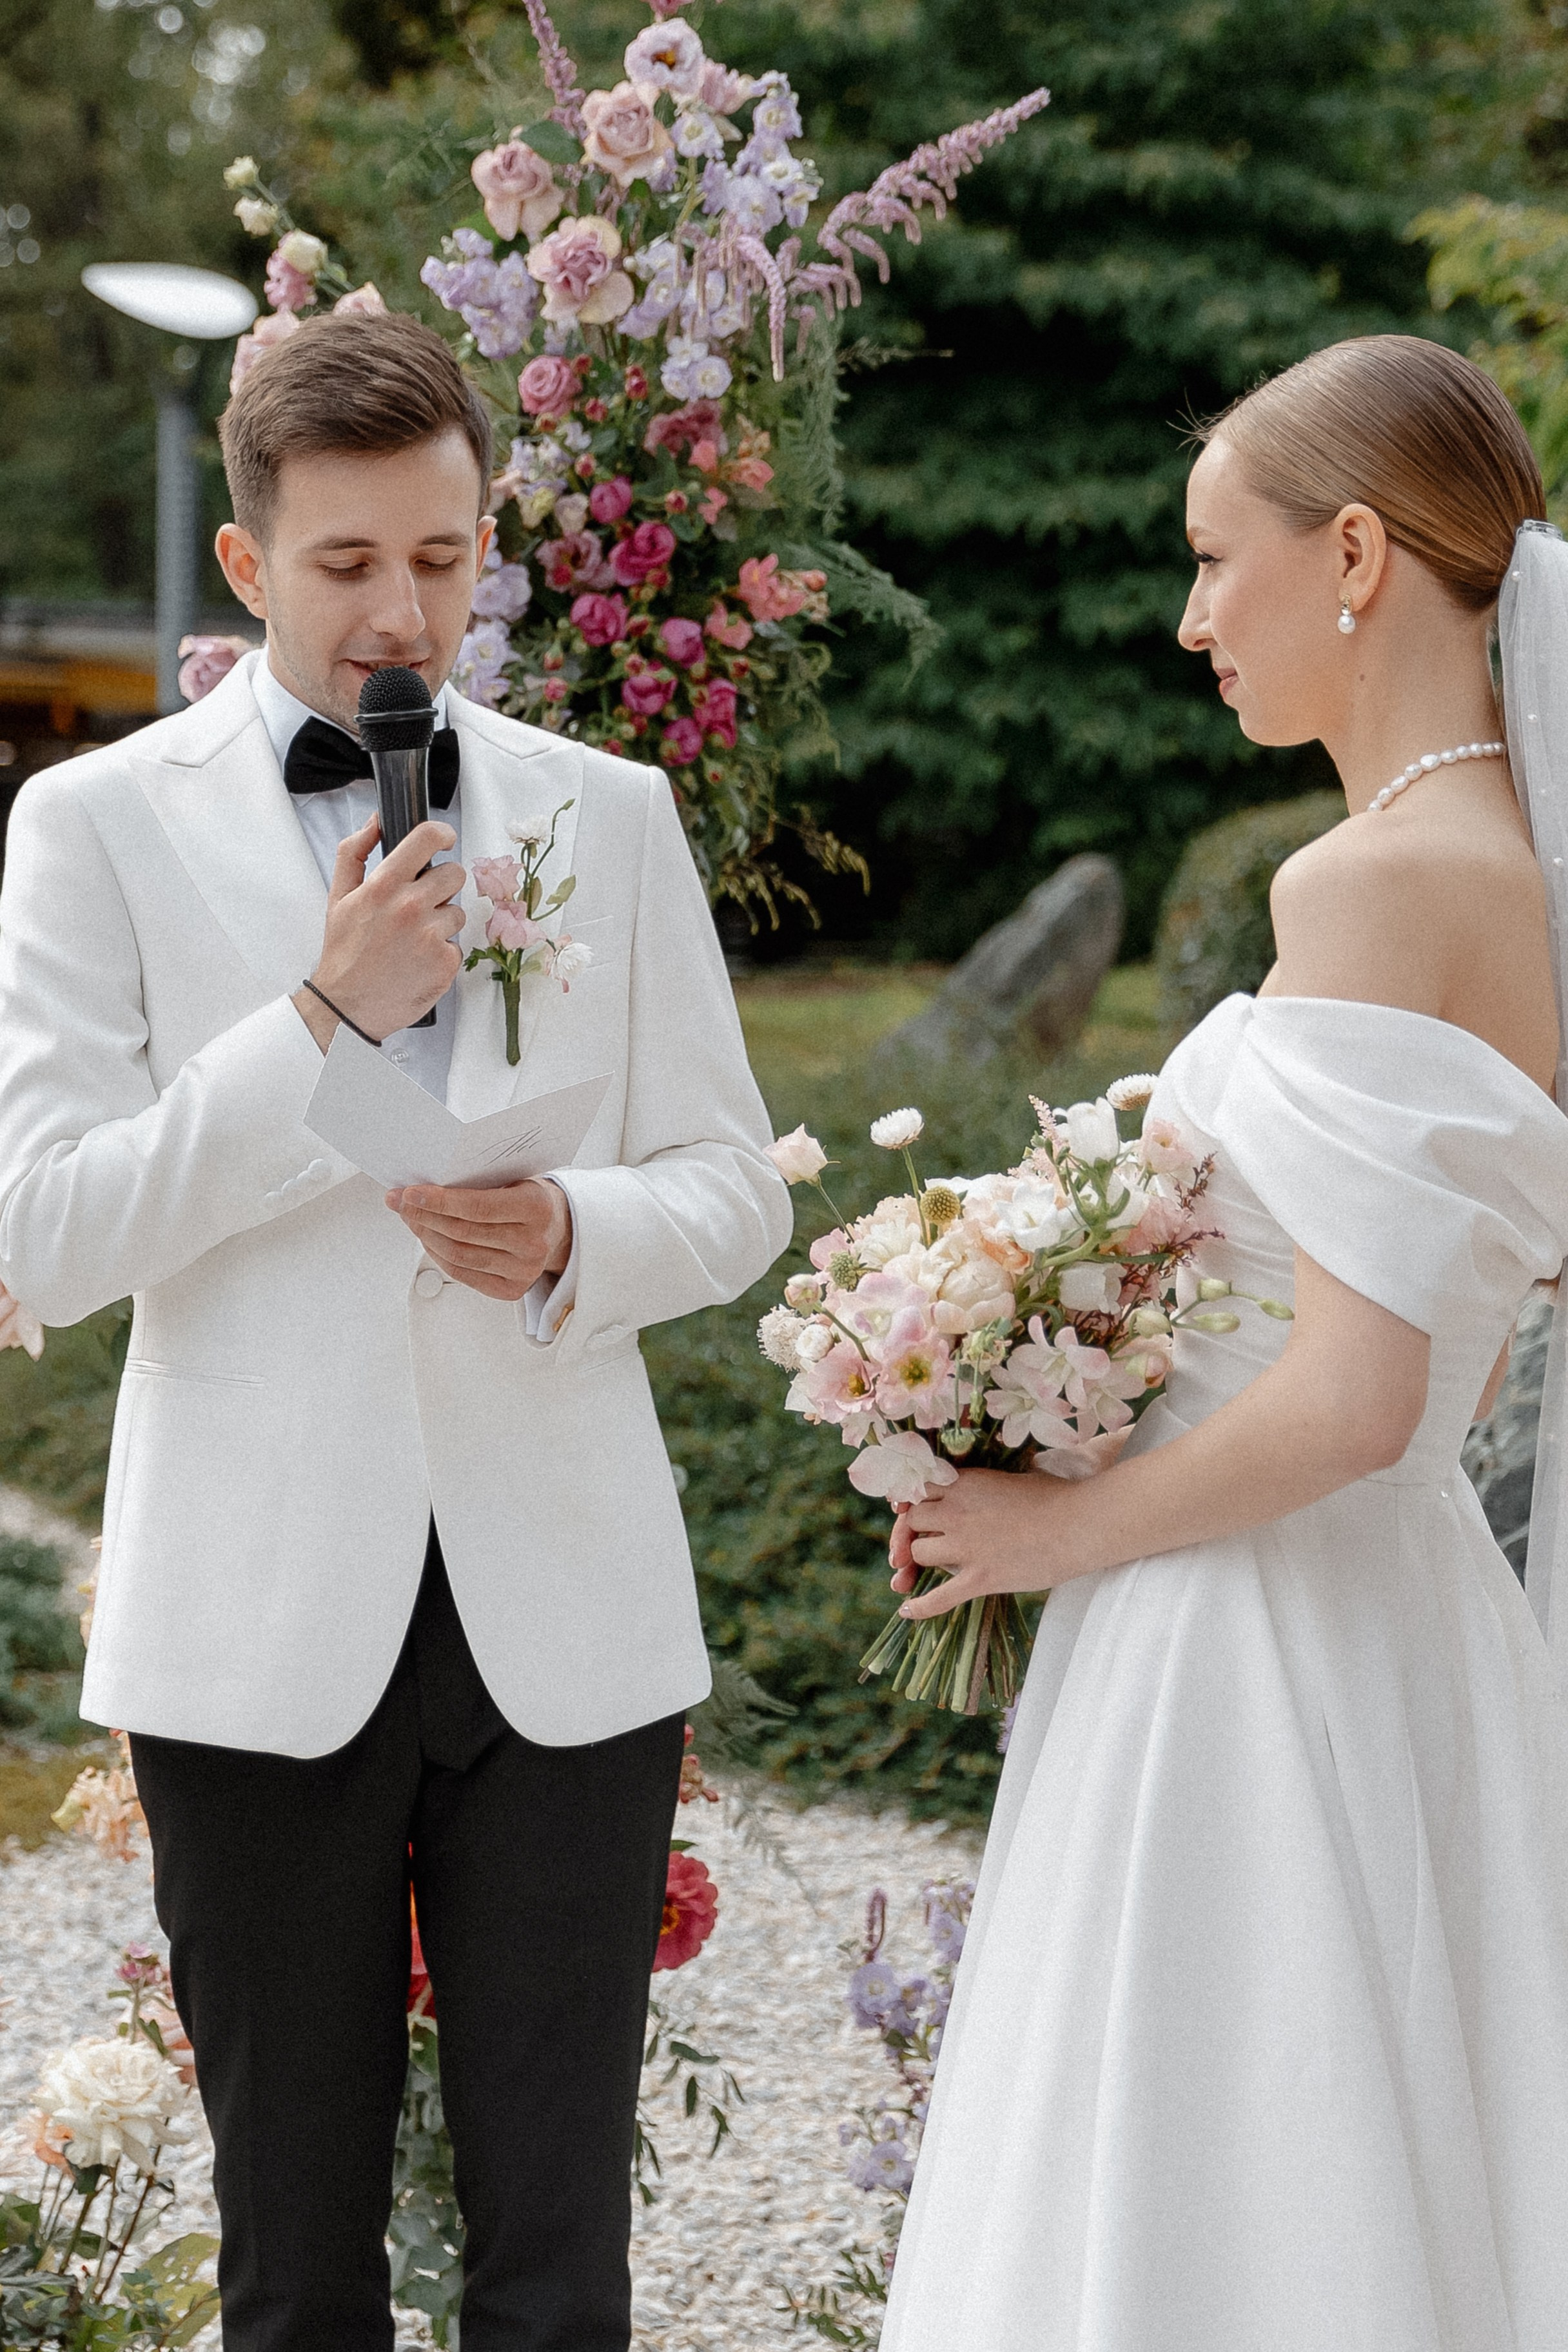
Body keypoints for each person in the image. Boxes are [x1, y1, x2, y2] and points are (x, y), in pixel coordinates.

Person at [0, 309, 791, 2351]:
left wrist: (566, 1237)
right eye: (350, 567)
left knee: (561, 2267)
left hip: (568, 1621)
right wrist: (321, 1019)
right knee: (294, 2268)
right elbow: (53, 1229)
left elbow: (734, 1184)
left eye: (442, 560)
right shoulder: (87, 829)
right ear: (250, 565)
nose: (403, 611)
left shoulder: (605, 814)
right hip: (253, 1624)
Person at [878, 335, 1568, 2349]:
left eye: (1211, 557)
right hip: (1416, 1624)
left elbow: (1355, 1401)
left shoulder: (1368, 885)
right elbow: (1472, 1352)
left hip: (1259, 1636)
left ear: (1355, 553)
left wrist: (1041, 1531)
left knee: (1216, 2186)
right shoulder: (1525, 883)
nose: (1189, 617)